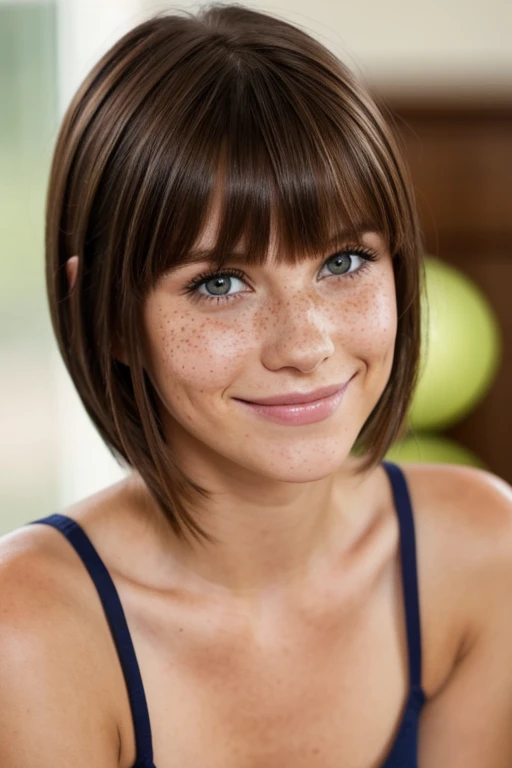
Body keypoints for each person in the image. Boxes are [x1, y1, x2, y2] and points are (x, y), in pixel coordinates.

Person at [1, 4, 512, 767]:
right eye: (221, 282)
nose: (305, 344)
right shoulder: (29, 631)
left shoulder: (481, 553)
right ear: (104, 315)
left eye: (343, 262)